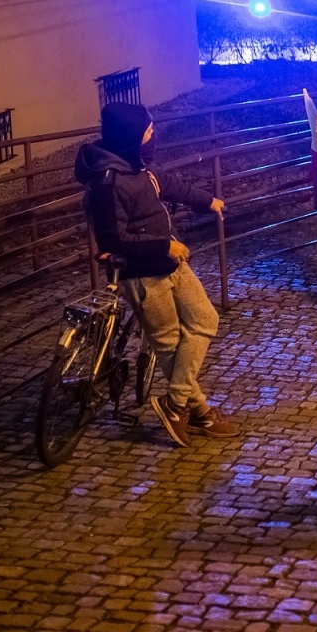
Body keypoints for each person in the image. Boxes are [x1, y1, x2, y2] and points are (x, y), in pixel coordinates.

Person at [74, 103, 240, 446]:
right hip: (143, 274)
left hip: (170, 262)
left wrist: (209, 201)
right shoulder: (109, 183)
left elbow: (170, 184)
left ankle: (175, 404)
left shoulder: (138, 166)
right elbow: (114, 241)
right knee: (168, 344)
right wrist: (164, 246)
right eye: (148, 132)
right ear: (131, 137)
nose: (153, 138)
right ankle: (199, 413)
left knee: (205, 320)